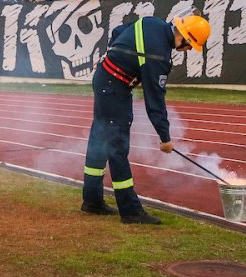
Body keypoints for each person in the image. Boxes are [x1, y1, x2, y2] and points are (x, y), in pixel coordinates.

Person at [80, 13, 211, 225]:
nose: (186, 50)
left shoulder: (152, 22)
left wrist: (112, 52)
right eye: (189, 46)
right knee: (117, 146)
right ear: (185, 38)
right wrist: (165, 138)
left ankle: (92, 200)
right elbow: (155, 100)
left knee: (99, 140)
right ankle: (130, 211)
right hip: (114, 87)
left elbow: (118, 31)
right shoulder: (159, 56)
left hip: (105, 78)